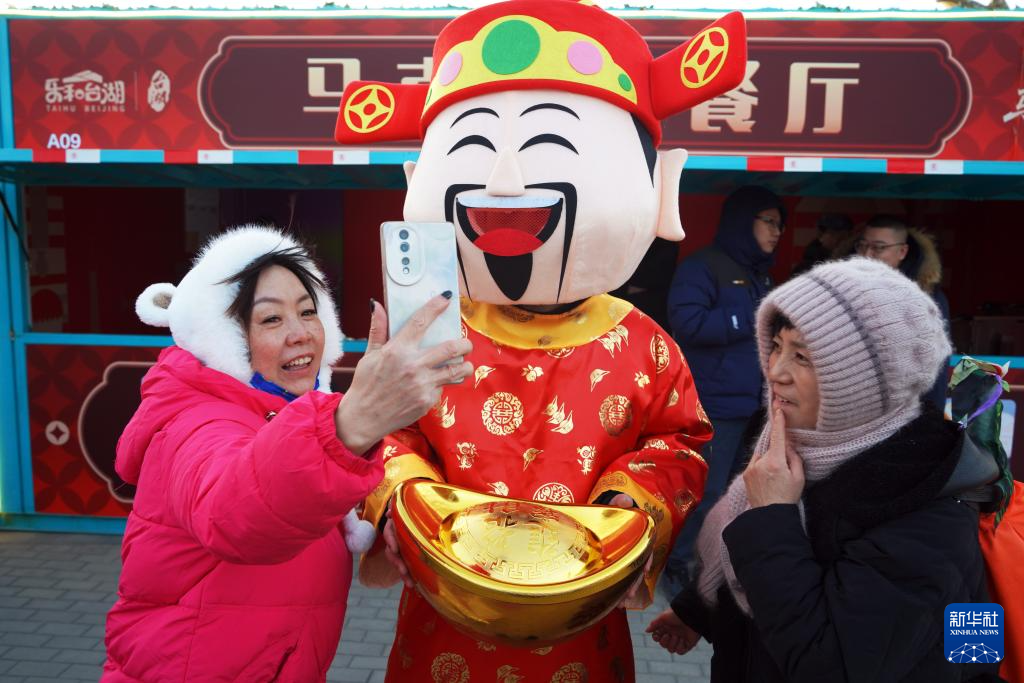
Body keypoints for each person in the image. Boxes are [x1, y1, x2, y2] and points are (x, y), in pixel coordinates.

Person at [334, 2, 748, 680]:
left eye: (553, 148)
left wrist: (631, 502)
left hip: (581, 613)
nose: (503, 185)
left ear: (661, 190)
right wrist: (404, 502)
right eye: (470, 151)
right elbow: (389, 431)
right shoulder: (430, 327)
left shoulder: (643, 343)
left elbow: (680, 441)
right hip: (444, 608)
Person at [101, 226, 473, 682]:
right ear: (223, 336)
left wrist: (393, 530)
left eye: (308, 311)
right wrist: (352, 423)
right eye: (271, 319)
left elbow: (296, 504)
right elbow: (234, 512)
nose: (300, 334)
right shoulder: (193, 421)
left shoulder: (283, 415)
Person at [647, 258, 1000, 682]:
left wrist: (771, 515)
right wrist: (699, 609)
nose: (775, 371)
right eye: (776, 346)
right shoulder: (804, 445)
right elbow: (760, 562)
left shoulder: (927, 507)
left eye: (802, 357)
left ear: (865, 381)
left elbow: (830, 663)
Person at [663, 184, 785, 594]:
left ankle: (713, 562)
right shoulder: (703, 266)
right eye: (769, 222)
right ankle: (677, 564)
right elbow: (687, 324)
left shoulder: (759, 273)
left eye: (780, 225)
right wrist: (747, 316)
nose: (777, 232)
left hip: (753, 405)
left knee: (736, 492)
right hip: (714, 404)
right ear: (743, 221)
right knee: (706, 490)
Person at [857, 214, 951, 410]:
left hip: (904, 409)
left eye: (879, 248)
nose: (867, 254)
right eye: (863, 246)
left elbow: (936, 367)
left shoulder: (926, 297)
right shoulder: (844, 288)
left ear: (902, 251)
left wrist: (931, 416)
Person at [791, 212, 852, 276]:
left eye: (847, 235)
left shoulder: (853, 258)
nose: (844, 238)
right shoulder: (810, 263)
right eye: (832, 233)